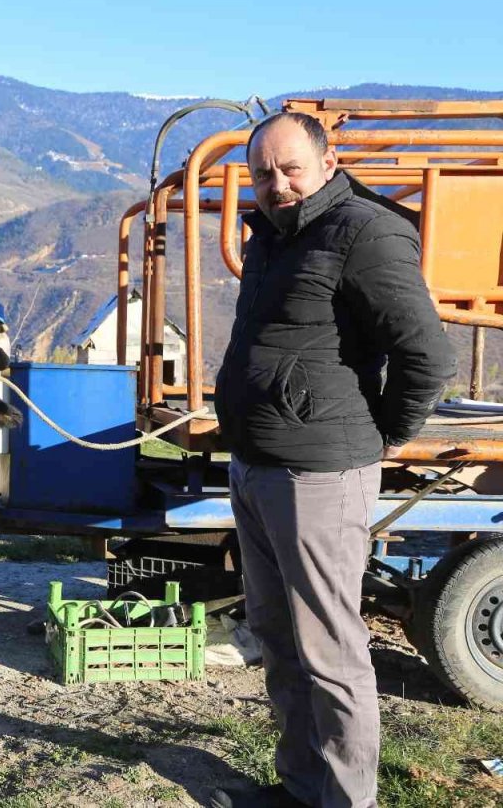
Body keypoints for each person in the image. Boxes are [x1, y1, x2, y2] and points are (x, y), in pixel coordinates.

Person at [211, 113, 455, 808]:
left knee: (329, 650)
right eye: (262, 172)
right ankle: (300, 785)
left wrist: (385, 436)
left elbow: (427, 355)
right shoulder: (271, 237)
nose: (276, 183)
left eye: (289, 168)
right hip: (257, 466)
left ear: (327, 160)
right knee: (279, 637)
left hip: (318, 473)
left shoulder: (363, 231)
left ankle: (348, 799)